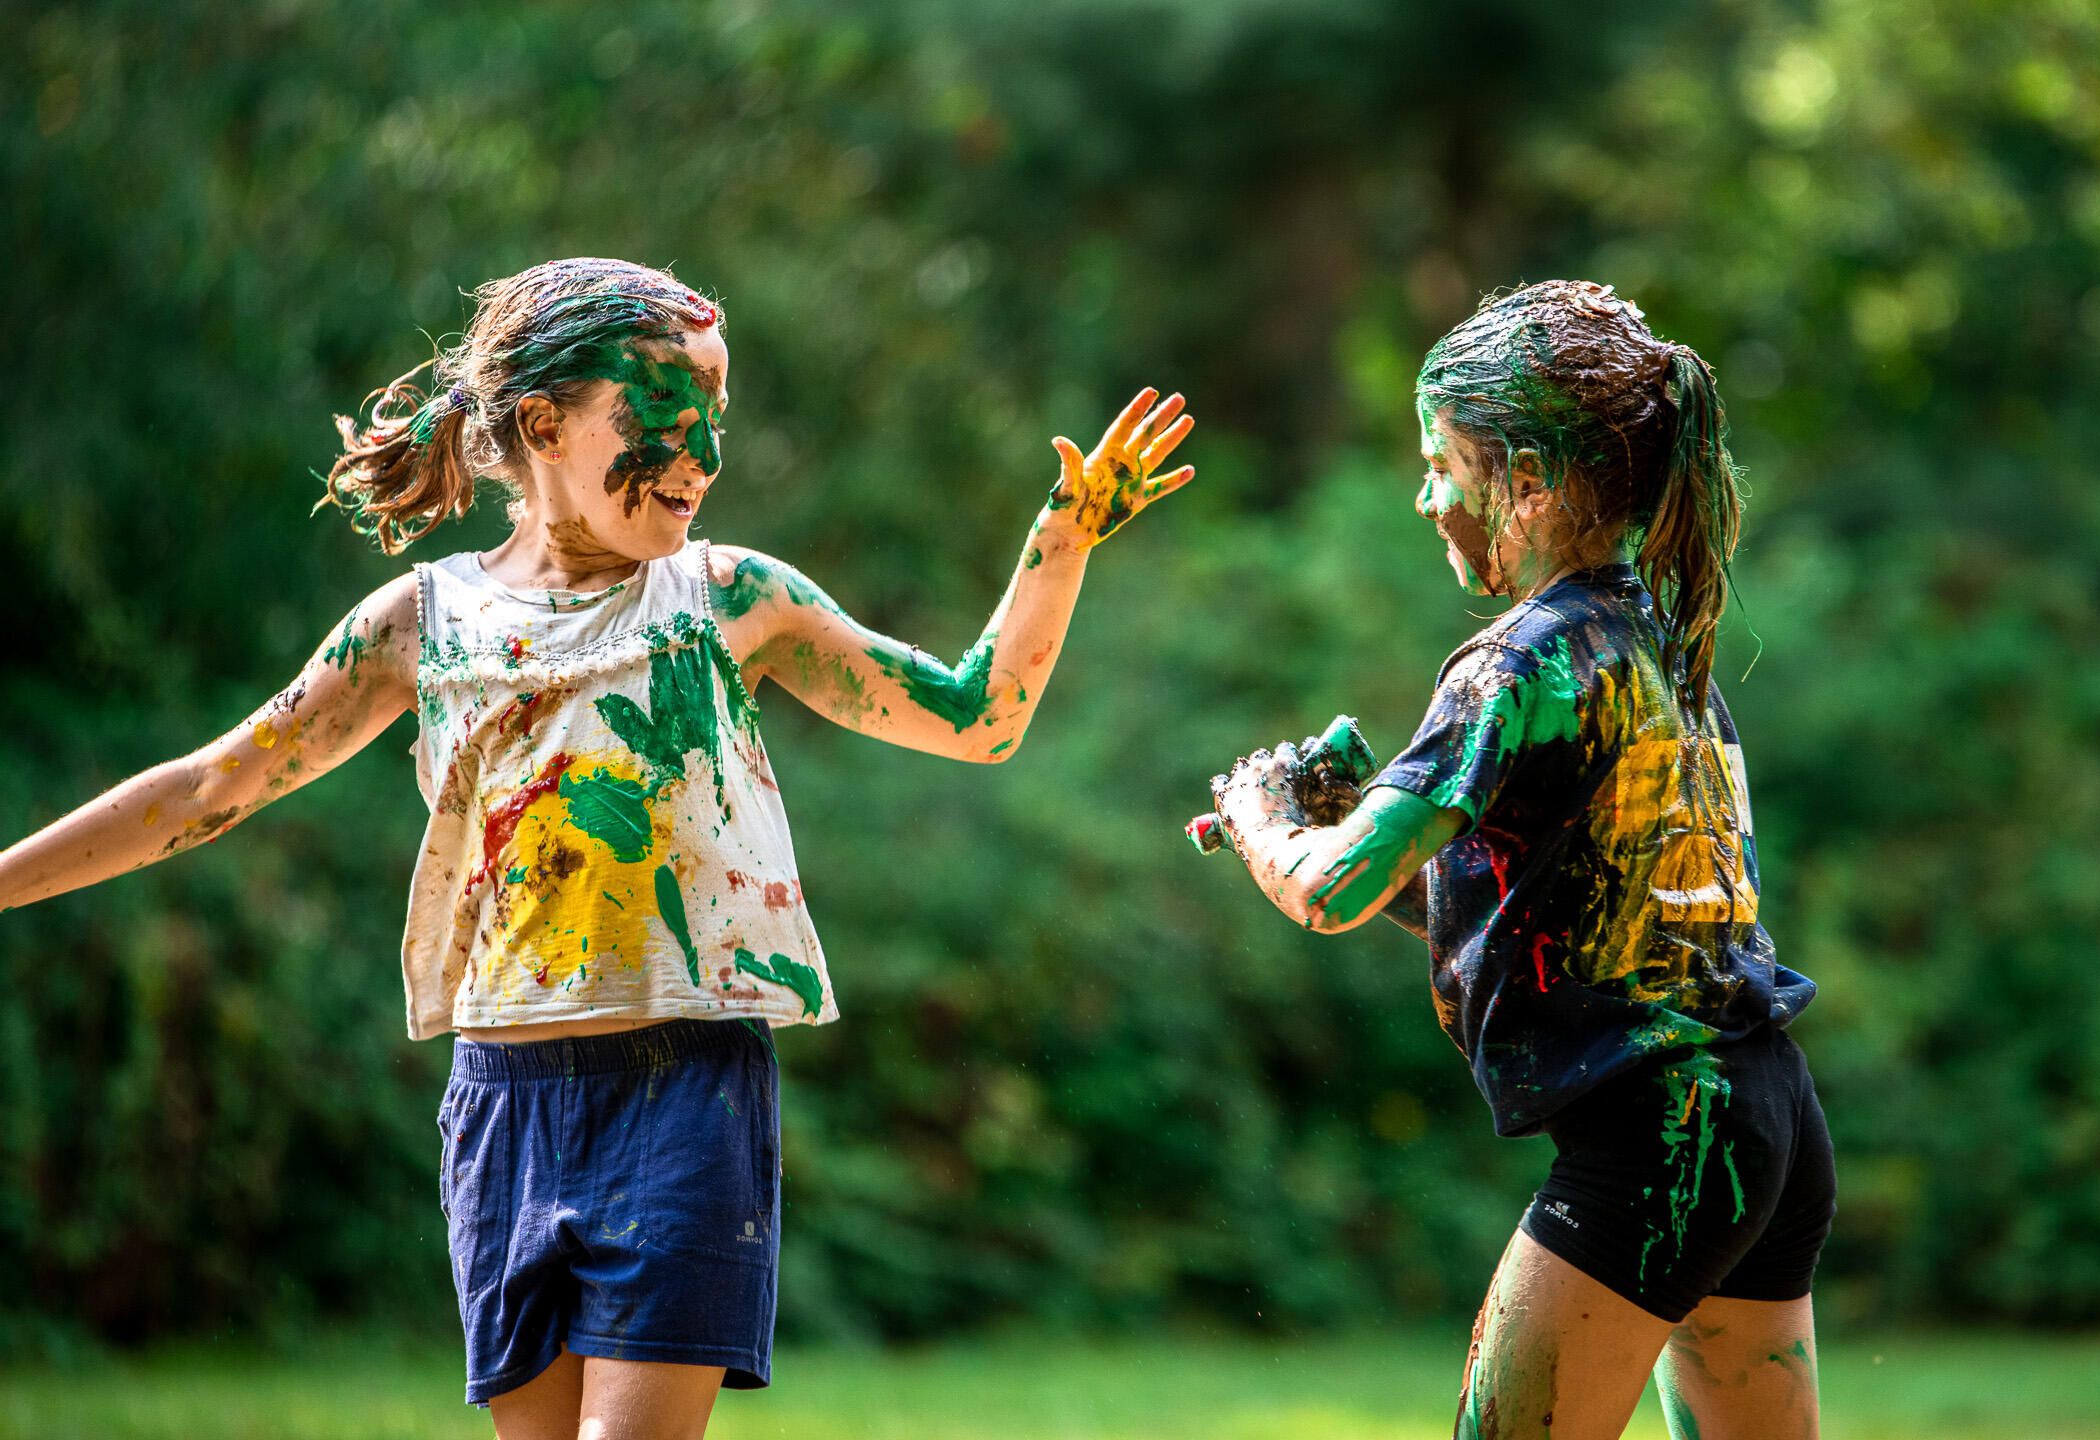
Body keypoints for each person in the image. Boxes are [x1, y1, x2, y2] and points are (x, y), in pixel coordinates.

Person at [0, 257, 1194, 1438]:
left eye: (716, 422)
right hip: (502, 1101)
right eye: (668, 422)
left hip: (685, 1095)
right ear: (542, 425)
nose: (705, 462)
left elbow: (979, 718)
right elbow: (213, 783)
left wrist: (1064, 540)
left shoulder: (731, 599)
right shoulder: (420, 625)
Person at [1206, 280, 1830, 1440]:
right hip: (1769, 1114)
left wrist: (1262, 812)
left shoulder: (1519, 663)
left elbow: (1329, 890)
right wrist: (1379, 822)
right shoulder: (1655, 632)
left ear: (1530, 480)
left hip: (1660, 1134)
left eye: (1442, 462)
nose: (1425, 496)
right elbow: (1559, 910)